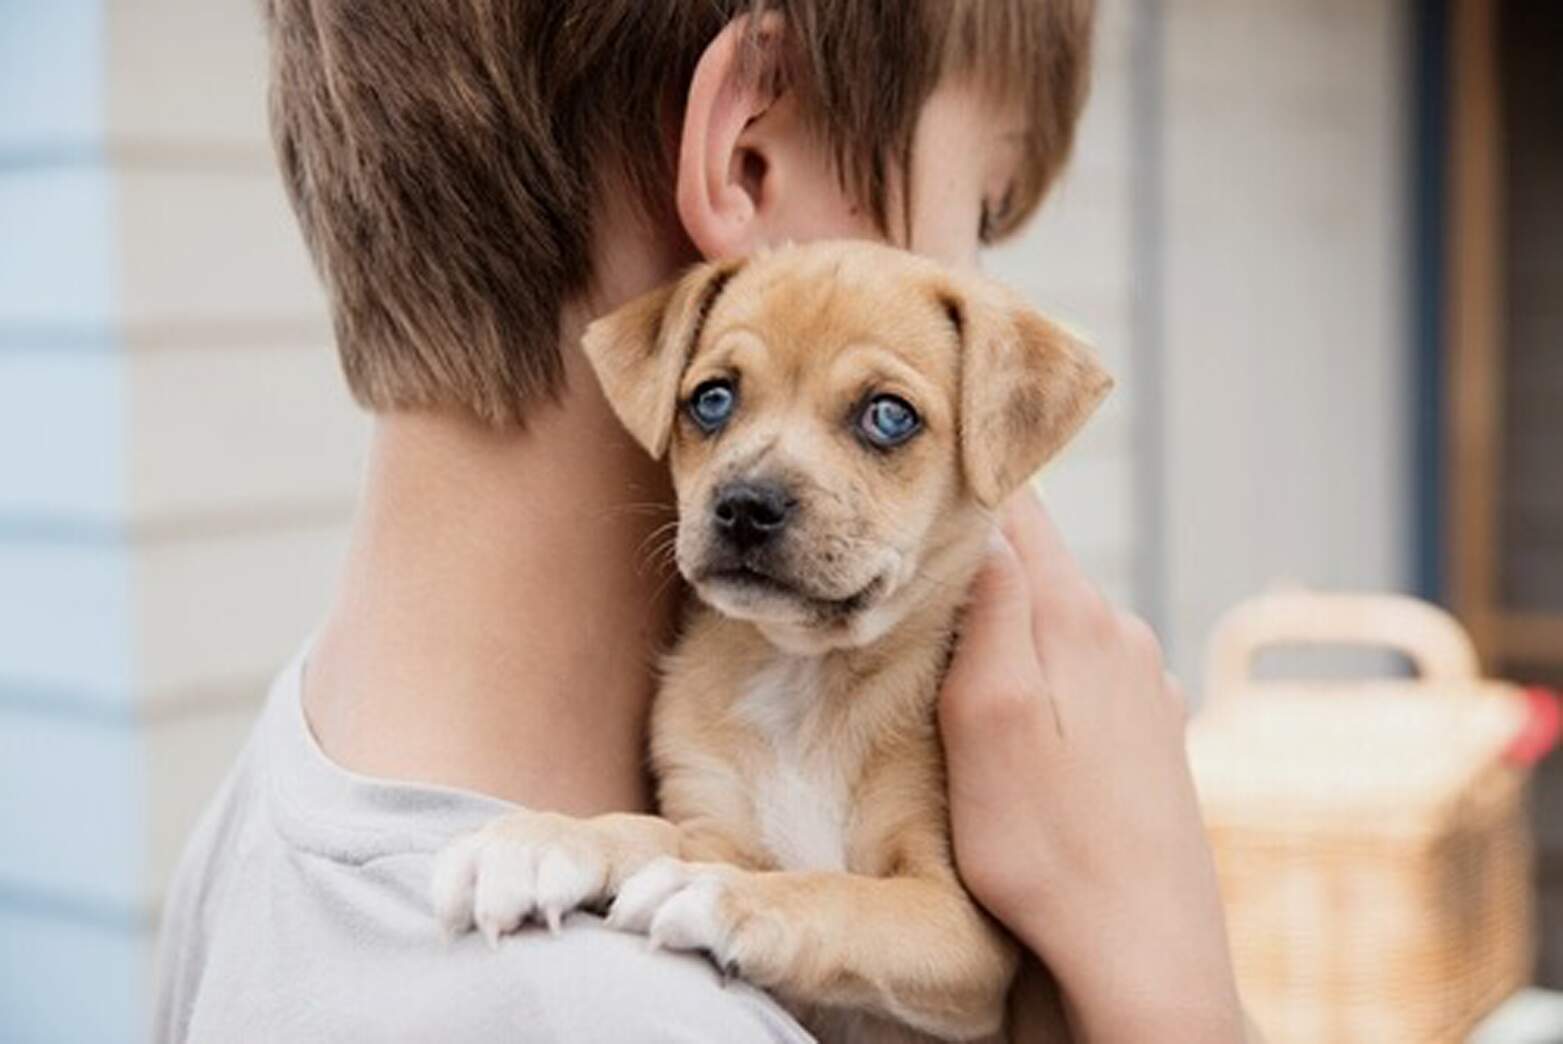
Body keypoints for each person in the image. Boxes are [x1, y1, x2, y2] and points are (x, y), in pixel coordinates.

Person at [154, 2, 1247, 1040]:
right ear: (750, 155)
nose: (752, 481)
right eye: (983, 210)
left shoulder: (273, 802)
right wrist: (1168, 985)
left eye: (879, 413)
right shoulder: (616, 1018)